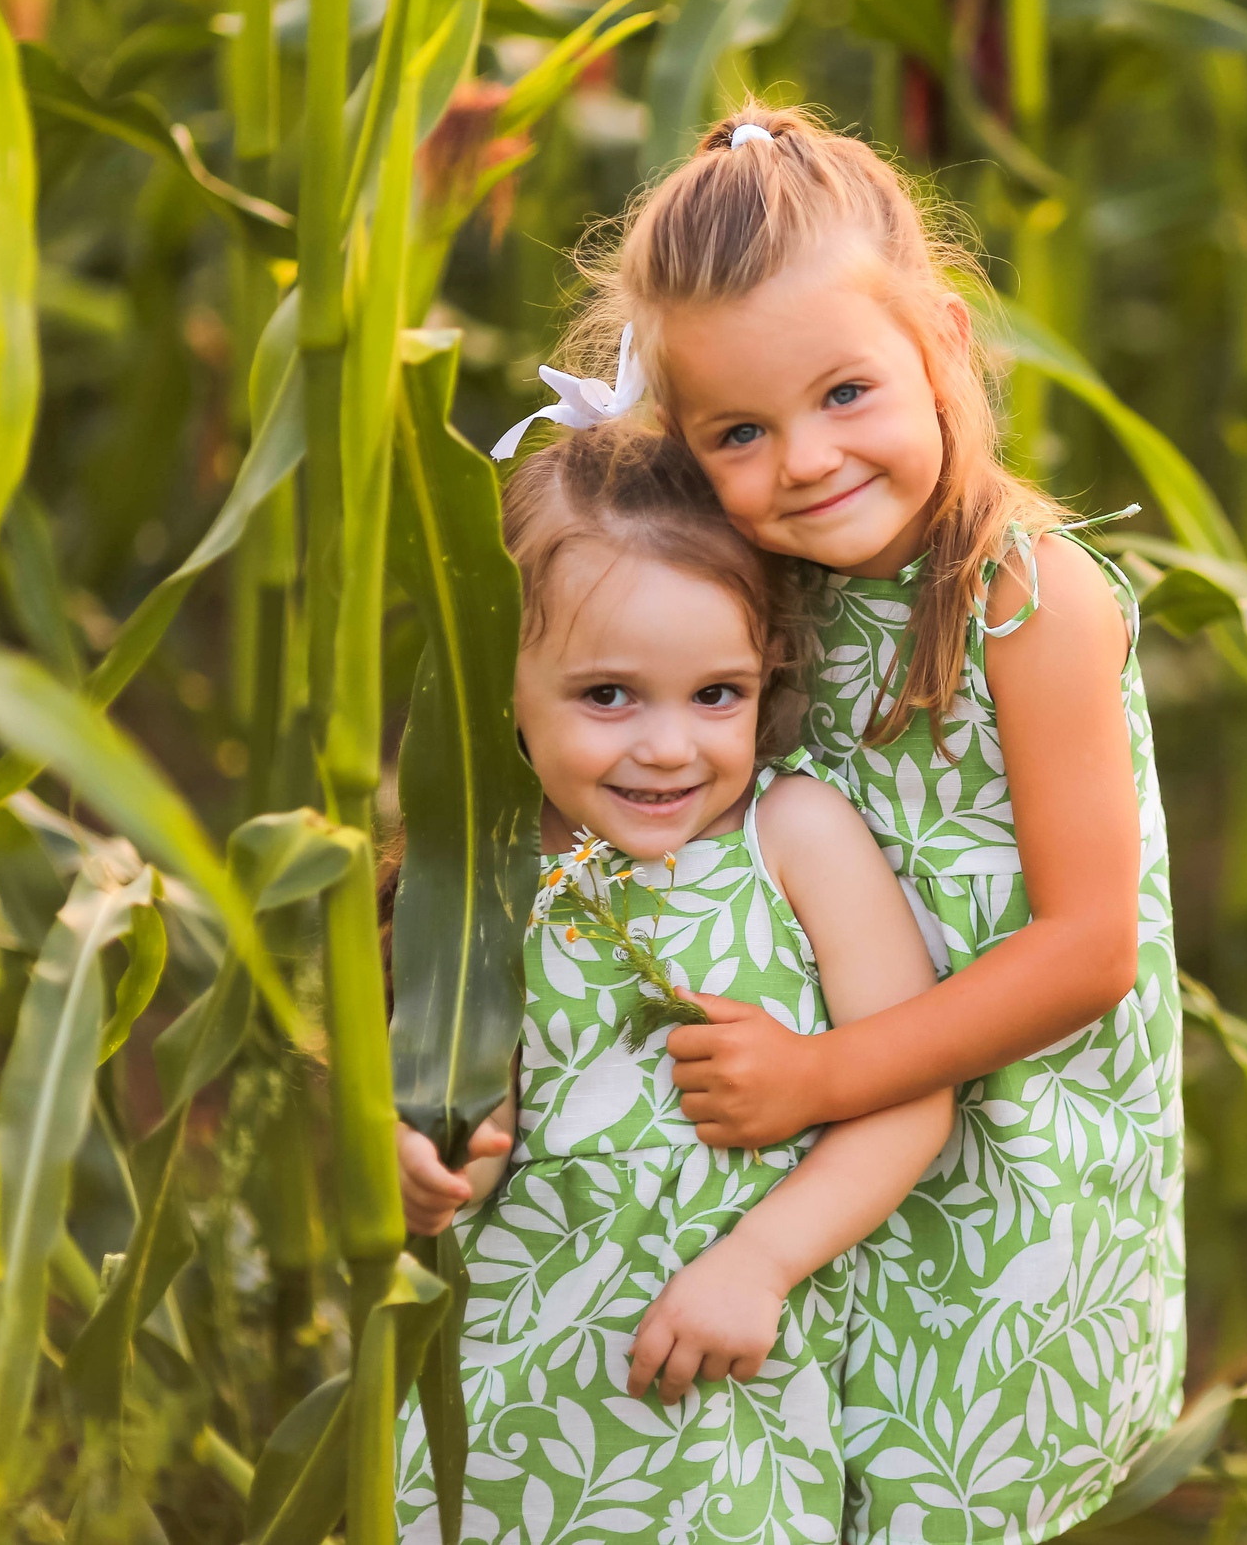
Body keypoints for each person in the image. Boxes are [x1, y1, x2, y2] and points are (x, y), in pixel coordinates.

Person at [531, 105, 1186, 1544]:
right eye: (741, 432)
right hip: (818, 1148)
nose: (806, 460)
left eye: (844, 393)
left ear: (942, 343)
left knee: (942, 1487)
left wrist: (823, 1074)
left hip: (1002, 1155)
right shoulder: (757, 581)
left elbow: (1089, 950)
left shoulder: (1028, 598)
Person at [389, 424, 951, 1545]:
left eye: (716, 694)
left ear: (766, 672)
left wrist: (760, 1263)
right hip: (508, 1393)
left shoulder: (795, 837)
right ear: (499, 678)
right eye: (608, 695)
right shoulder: (479, 870)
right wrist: (422, 1163)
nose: (667, 747)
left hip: (726, 1393)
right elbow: (475, 1121)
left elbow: (909, 1095)